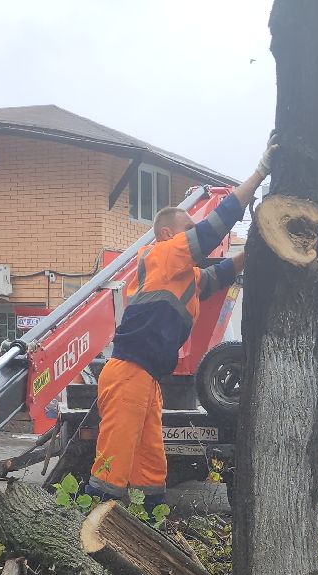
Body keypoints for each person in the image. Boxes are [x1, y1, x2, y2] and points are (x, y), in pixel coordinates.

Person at [88, 142, 272, 504]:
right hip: (129, 373)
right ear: (168, 235)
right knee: (111, 471)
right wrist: (259, 173)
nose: (194, 235)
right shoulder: (161, 254)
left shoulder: (180, 277)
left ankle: (149, 522)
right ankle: (89, 533)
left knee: (149, 468)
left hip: (144, 378)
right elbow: (213, 230)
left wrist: (254, 252)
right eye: (188, 229)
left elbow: (219, 274)